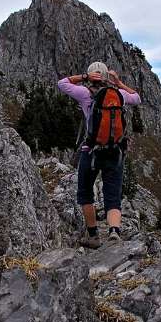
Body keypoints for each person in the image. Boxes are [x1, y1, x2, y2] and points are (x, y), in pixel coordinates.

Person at [57, 61, 141, 248]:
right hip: (115, 151)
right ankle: (114, 232)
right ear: (105, 77)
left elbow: (62, 84)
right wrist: (118, 83)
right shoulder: (118, 94)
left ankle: (94, 236)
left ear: (92, 76)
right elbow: (137, 98)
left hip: (91, 152)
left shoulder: (85, 93)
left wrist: (84, 78)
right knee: (113, 194)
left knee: (86, 193)